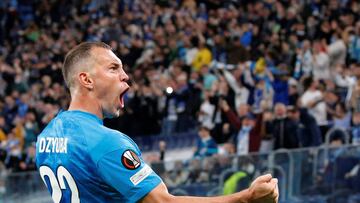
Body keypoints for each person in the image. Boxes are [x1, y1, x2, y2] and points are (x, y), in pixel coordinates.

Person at [35, 42, 279, 203]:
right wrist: (247, 197)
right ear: (86, 79)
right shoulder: (106, 142)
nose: (125, 76)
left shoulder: (45, 138)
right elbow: (163, 202)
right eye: (113, 68)